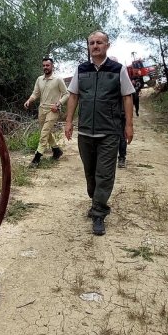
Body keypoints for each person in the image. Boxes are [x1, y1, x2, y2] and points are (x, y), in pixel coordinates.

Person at [64, 31, 135, 236]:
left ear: (107, 46)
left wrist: (128, 125)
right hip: (85, 131)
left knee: (104, 173)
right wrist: (69, 122)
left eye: (99, 43)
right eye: (92, 43)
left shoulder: (118, 69)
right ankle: (96, 200)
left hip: (110, 131)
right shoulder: (81, 69)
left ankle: (99, 213)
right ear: (88, 47)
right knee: (90, 172)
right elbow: (74, 95)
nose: (95, 46)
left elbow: (127, 97)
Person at [24, 56, 69, 168]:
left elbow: (66, 94)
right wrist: (29, 100)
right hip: (42, 109)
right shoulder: (39, 79)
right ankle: (56, 150)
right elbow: (36, 93)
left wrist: (58, 104)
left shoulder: (58, 79)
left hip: (53, 109)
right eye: (44, 65)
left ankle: (37, 158)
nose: (45, 67)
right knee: (46, 132)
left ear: (52, 66)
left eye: (47, 65)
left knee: (44, 133)